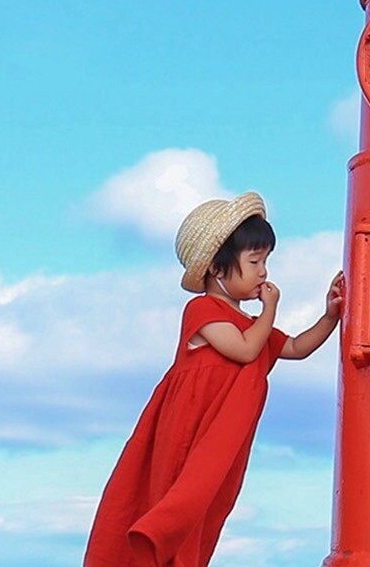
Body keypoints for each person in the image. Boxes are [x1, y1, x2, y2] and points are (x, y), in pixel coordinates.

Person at [85, 192, 345, 566]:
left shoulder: (251, 325)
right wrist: (270, 309)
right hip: (189, 425)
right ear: (217, 270)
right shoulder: (202, 309)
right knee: (175, 493)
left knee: (208, 507)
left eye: (266, 261)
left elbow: (294, 347)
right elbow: (243, 350)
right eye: (254, 261)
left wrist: (330, 317)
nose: (264, 271)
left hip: (220, 432)